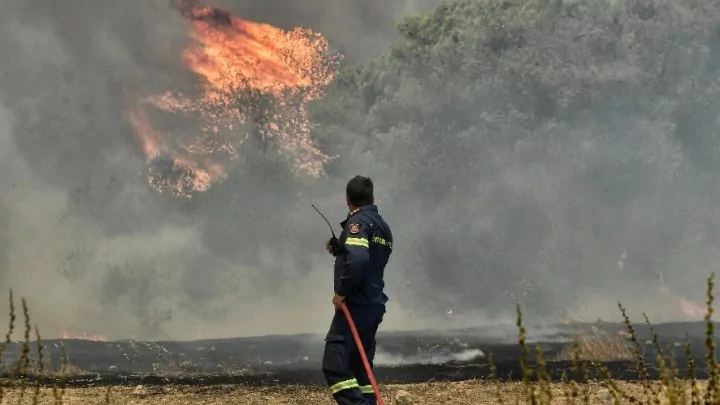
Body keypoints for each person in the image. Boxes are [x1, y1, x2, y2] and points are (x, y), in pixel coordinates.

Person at [322, 175, 394, 405]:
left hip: (356, 304)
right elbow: (368, 257)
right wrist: (340, 248)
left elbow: (359, 259)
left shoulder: (358, 224)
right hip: (372, 304)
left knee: (335, 367)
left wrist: (342, 291)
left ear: (347, 200)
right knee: (359, 370)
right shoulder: (382, 226)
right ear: (371, 197)